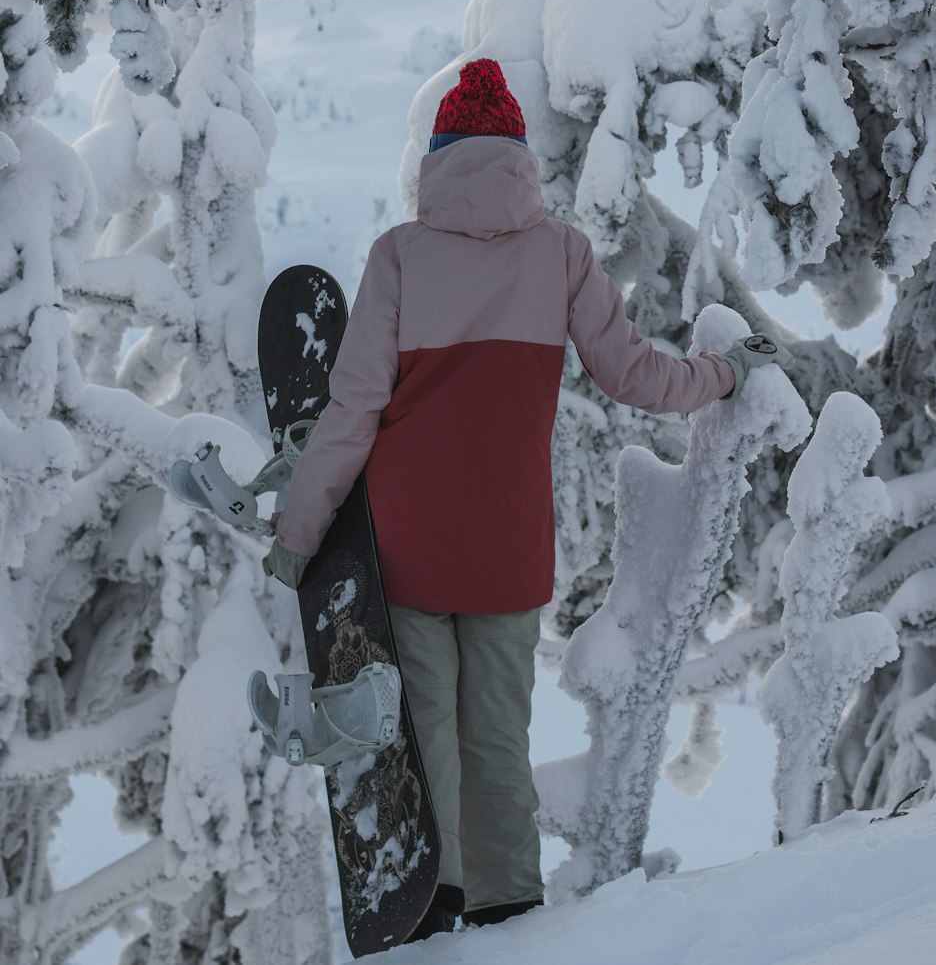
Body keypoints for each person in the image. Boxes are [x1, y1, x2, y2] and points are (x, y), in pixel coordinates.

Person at [264, 58, 793, 938]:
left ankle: (430, 916)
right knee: (498, 742)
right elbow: (634, 376)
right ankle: (510, 919)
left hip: (407, 544)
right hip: (507, 548)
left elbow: (350, 411)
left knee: (422, 731)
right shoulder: (564, 255)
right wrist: (726, 372)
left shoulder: (399, 257)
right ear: (517, 159)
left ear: (439, 157)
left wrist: (299, 530)